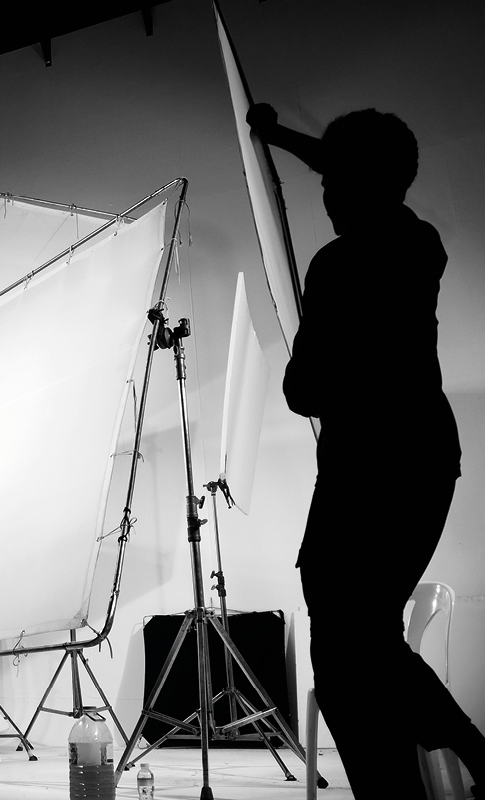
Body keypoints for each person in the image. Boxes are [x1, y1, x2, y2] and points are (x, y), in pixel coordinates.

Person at [248, 103, 485, 799]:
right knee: (366, 643)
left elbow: (303, 390)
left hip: (367, 474)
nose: (324, 193)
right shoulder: (419, 240)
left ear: (361, 181)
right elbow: (347, 164)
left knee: (347, 653)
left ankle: (440, 769)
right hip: (424, 461)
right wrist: (277, 135)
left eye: (332, 183)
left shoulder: (340, 262)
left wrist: (308, 361)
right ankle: (462, 759)